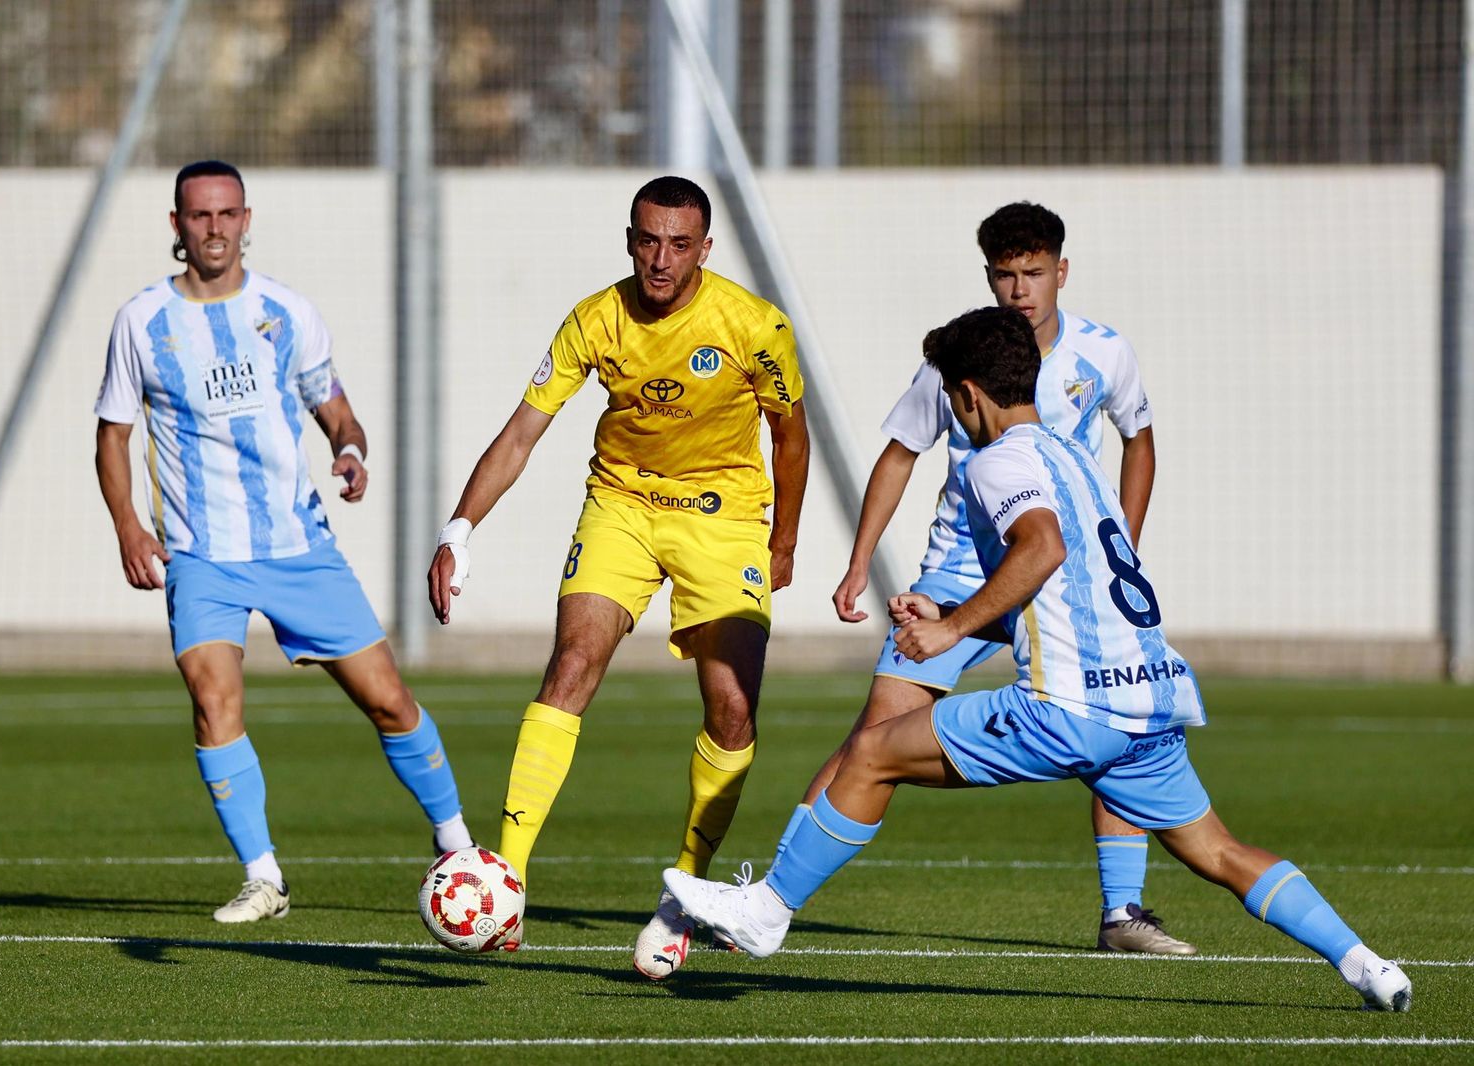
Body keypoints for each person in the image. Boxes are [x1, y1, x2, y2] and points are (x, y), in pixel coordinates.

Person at [663, 307, 1412, 1014]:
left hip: (1070, 707)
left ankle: (765, 913)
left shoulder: (995, 461)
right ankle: (1366, 964)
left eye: (955, 402)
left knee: (870, 754)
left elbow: (1042, 548)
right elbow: (1066, 583)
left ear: (966, 394)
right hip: (1148, 697)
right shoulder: (1073, 456)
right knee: (1219, 851)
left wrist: (953, 627)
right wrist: (956, 615)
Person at [427, 175, 810, 976]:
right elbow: (521, 433)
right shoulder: (596, 319)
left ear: (706, 248)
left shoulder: (754, 325)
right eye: (647, 240)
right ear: (629, 238)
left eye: (679, 244)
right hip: (622, 508)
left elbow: (790, 432)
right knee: (571, 664)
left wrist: (784, 538)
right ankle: (507, 884)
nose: (660, 259)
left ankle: (684, 898)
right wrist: (460, 529)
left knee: (733, 710)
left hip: (726, 517)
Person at [94, 160, 473, 924]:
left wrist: (352, 451)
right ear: (176, 226)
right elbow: (112, 435)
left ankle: (458, 845)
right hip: (201, 554)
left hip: (298, 544)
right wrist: (130, 526)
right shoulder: (141, 322)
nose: (214, 229)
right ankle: (264, 877)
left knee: (390, 702)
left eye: (227, 214)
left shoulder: (287, 312)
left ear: (246, 218)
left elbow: (334, 406)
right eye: (199, 216)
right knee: (212, 699)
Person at [804, 201, 1188, 954]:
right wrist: (857, 560)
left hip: (1063, 581)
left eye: (1034, 273)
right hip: (959, 574)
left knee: (1127, 727)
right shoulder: (963, 353)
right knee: (873, 737)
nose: (1020, 290)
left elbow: (1139, 441)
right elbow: (900, 452)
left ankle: (1122, 915)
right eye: (1006, 275)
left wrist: (1125, 550)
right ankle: (764, 894)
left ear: (1061, 273)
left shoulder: (1104, 354)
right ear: (989, 276)